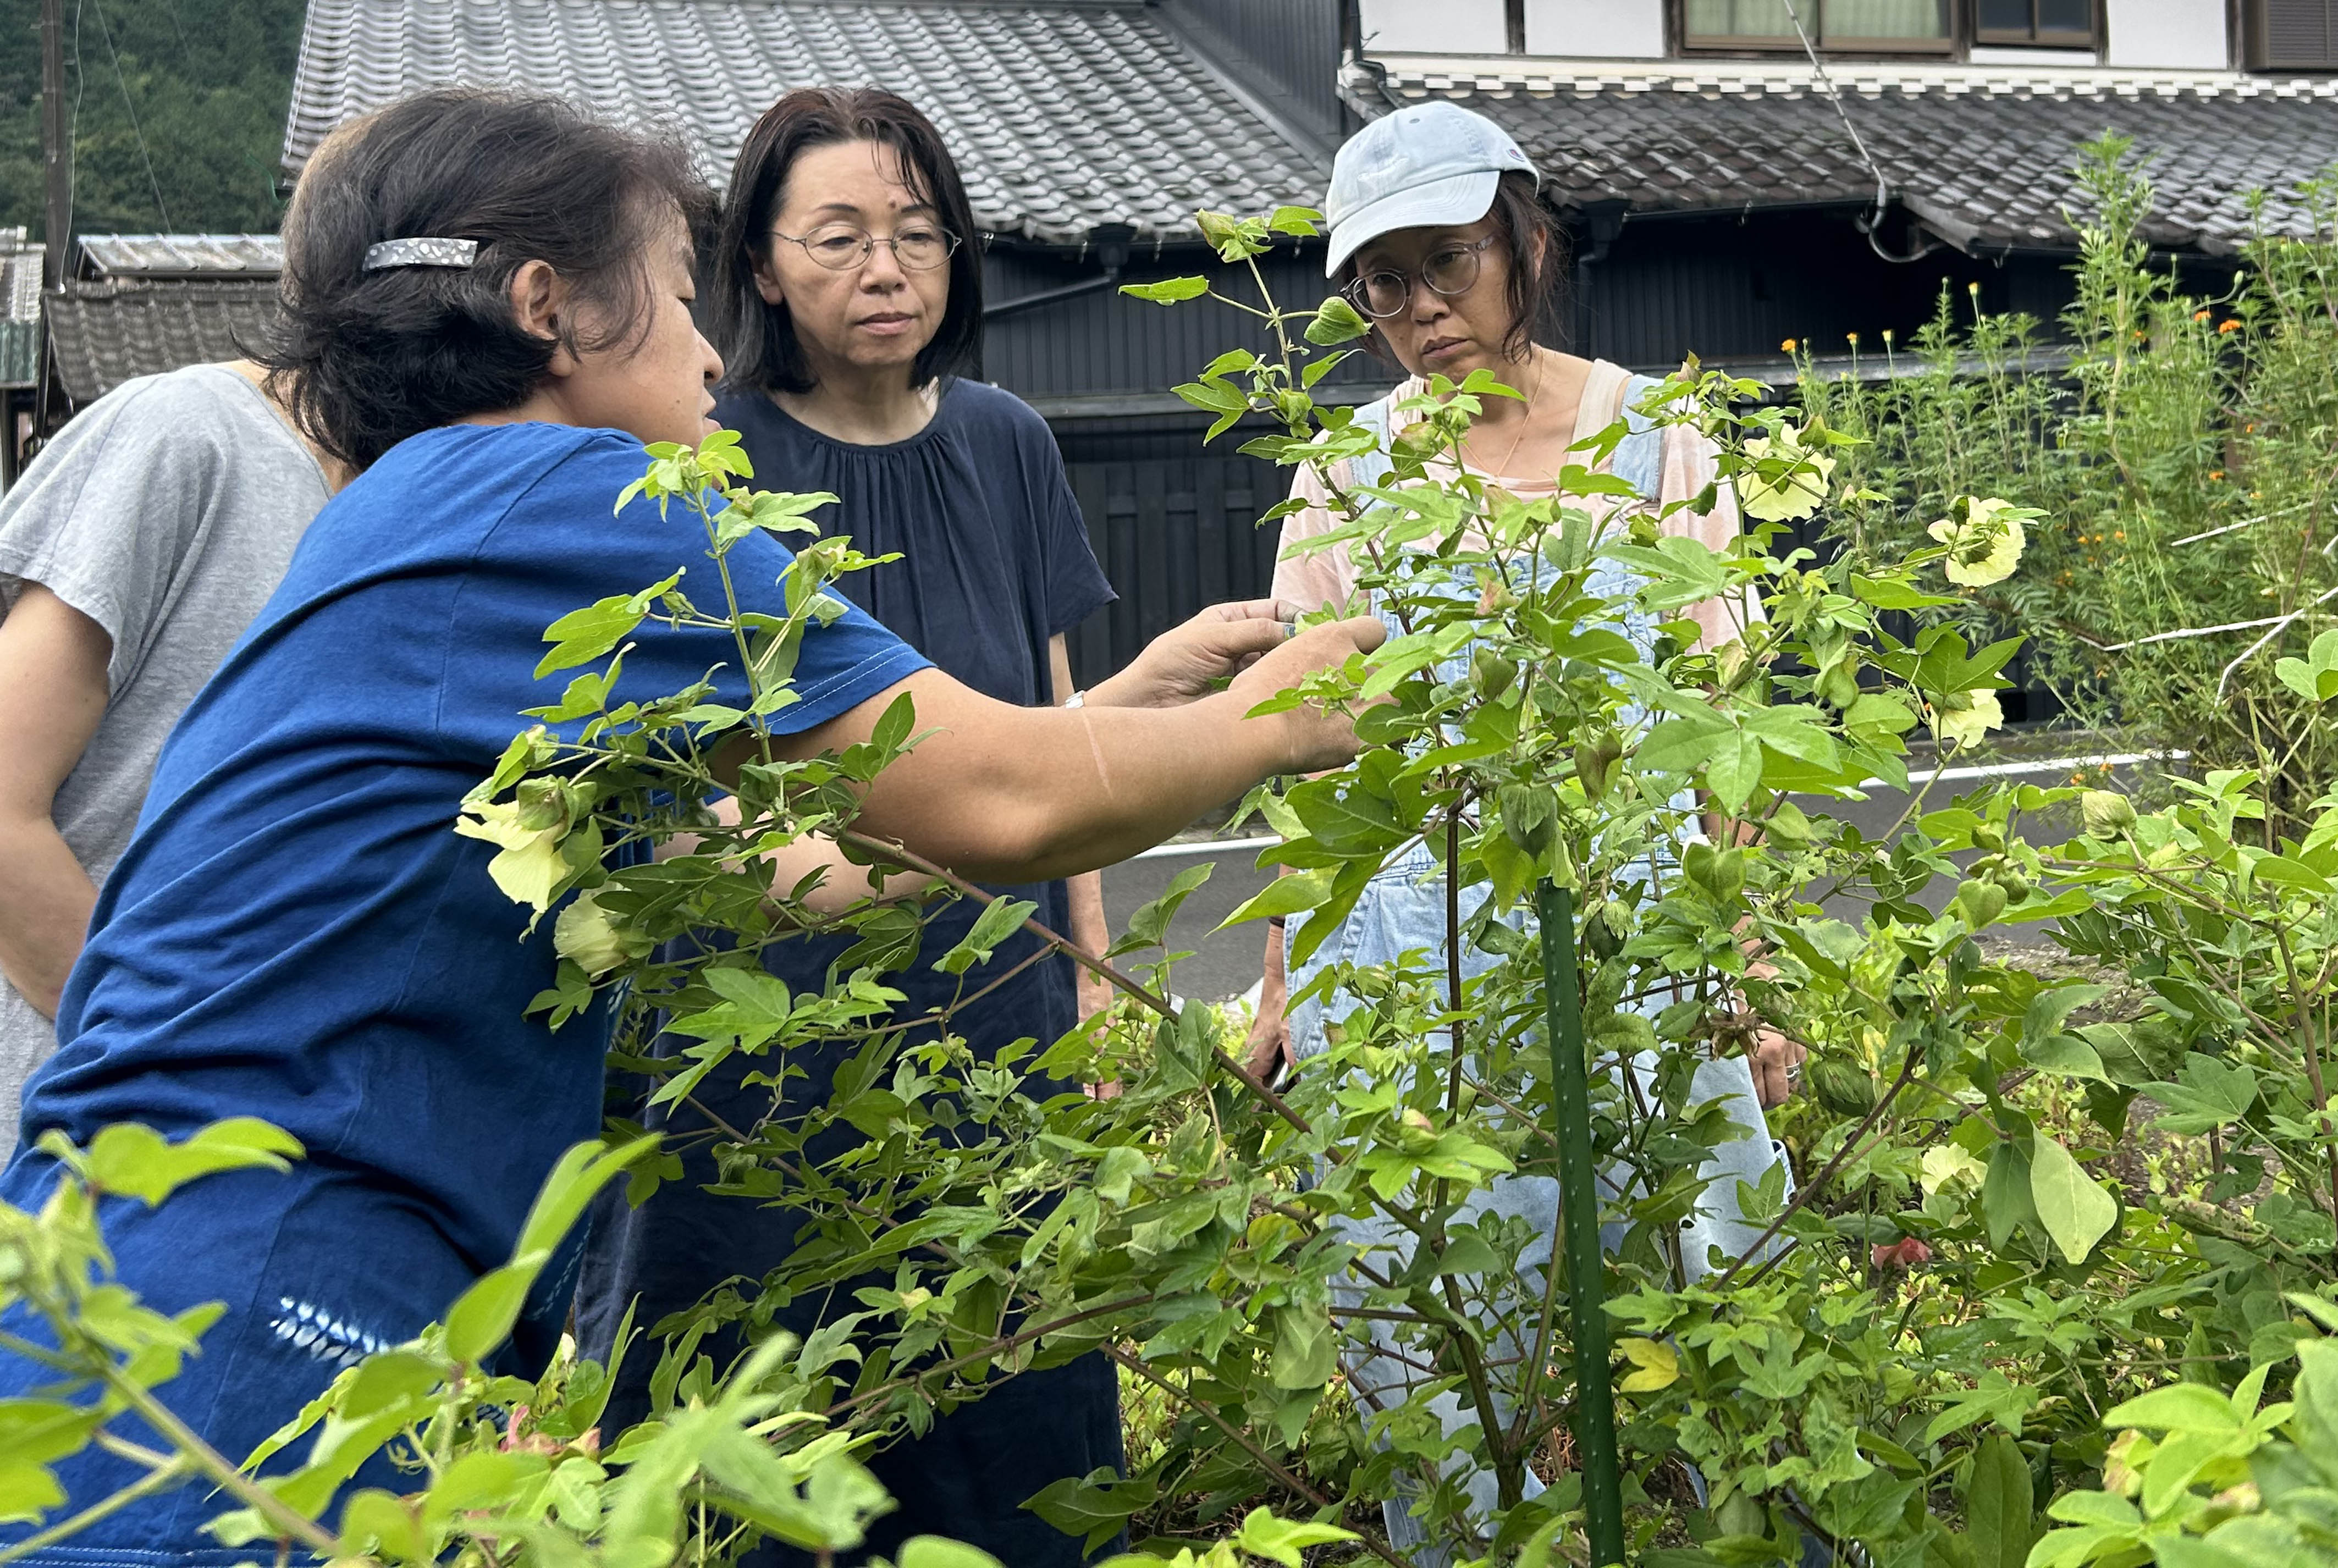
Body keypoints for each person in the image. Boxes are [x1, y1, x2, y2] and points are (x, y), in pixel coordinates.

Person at [0, 88, 1381, 1566]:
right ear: (552, 310)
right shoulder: (566, 486)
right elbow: (998, 797)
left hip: (138, 1259)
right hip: (264, 1265)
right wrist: (1291, 717)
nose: (715, 348)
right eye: (674, 296)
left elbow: (773, 868)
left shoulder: (403, 516)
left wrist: (1125, 706)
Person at [572, 87, 1129, 1565]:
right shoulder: (709, 459)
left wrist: (1083, 990)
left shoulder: (1009, 442)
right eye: (839, 237)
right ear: (759, 267)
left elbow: (1052, 737)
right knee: (779, 1456)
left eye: (916, 232)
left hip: (995, 1030)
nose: (888, 268)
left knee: (1019, 1445)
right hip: (769, 1058)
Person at [1240, 102, 1803, 1563]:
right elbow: (1306, 756)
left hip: (1637, 927)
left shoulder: (1650, 431)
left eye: (1446, 263)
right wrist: (1287, 982)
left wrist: (1743, 954)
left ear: (1523, 241)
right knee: (1433, 1328)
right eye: (1380, 282)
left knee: (1717, 1275)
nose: (1417, 310)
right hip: (1413, 944)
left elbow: (1718, 714)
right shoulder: (1345, 475)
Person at [0, 356, 349, 1134]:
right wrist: (180, 1077)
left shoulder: (425, 514)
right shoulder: (191, 432)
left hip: (253, 1162)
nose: (696, 352)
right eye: (671, 294)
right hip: (79, 1153)